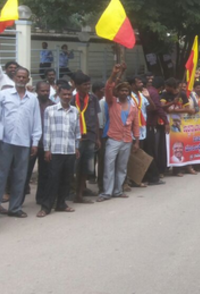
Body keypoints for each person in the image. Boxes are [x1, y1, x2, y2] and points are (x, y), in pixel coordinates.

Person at [0, 65, 42, 218]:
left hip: (24, 143)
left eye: (24, 77)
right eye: (18, 76)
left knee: (20, 177)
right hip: (5, 141)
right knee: (1, 175)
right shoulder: (3, 95)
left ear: (28, 79)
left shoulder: (33, 99)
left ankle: (15, 208)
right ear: (14, 78)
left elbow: (36, 122)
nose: (21, 79)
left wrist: (35, 142)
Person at [98, 64, 139, 202]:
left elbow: (136, 125)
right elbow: (108, 87)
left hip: (127, 140)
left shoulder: (133, 107)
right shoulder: (112, 103)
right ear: (118, 92)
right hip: (114, 138)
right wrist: (114, 74)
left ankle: (118, 190)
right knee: (109, 166)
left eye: (126, 90)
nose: (124, 92)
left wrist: (137, 141)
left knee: (122, 167)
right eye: (122, 90)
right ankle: (107, 192)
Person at [38, 84, 80, 217]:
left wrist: (76, 147)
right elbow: (47, 131)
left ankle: (61, 203)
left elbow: (77, 132)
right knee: (52, 179)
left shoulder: (75, 111)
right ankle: (46, 207)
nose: (67, 97)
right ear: (59, 95)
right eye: (64, 95)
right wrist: (46, 149)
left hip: (70, 150)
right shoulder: (50, 110)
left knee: (66, 179)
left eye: (69, 94)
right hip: (55, 150)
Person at [71, 72, 101, 203]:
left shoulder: (93, 98)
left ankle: (80, 193)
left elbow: (95, 119)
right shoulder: (71, 100)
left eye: (89, 84)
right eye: (84, 85)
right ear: (77, 86)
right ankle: (72, 191)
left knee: (86, 167)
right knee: (74, 166)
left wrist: (97, 138)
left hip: (90, 136)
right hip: (76, 138)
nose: (87, 87)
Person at [23, 81, 53, 203]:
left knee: (44, 173)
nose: (45, 93)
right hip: (31, 144)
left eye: (47, 91)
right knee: (25, 172)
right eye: (42, 91)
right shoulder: (30, 103)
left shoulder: (53, 106)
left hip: (46, 145)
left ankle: (41, 198)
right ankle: (18, 200)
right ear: (37, 91)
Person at [143, 76, 169, 185]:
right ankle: (153, 176)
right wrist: (166, 122)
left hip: (144, 126)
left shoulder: (148, 92)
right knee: (151, 151)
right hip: (148, 126)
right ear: (162, 87)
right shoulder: (153, 93)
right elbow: (158, 108)